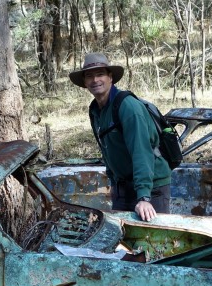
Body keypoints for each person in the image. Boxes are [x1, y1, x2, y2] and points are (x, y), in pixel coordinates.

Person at [70, 53, 172, 221]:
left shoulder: (128, 107)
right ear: (85, 82)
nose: (95, 80)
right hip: (122, 188)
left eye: (100, 74)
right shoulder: (96, 110)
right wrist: (114, 183)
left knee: (153, 241)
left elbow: (141, 151)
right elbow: (107, 150)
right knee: (122, 241)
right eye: (89, 76)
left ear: (110, 77)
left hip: (151, 187)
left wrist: (144, 198)